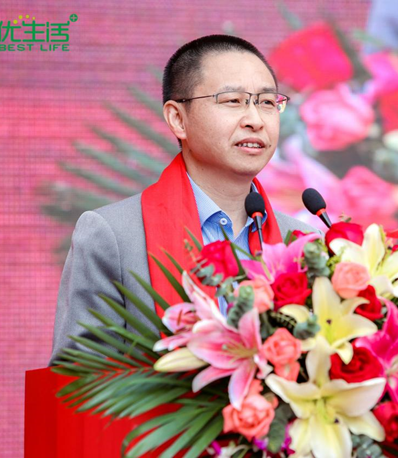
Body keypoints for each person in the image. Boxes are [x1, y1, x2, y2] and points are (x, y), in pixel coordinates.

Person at [49, 35, 317, 365]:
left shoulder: (304, 244)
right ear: (178, 118)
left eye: (266, 102)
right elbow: (79, 379)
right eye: (233, 100)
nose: (256, 120)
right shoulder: (113, 235)